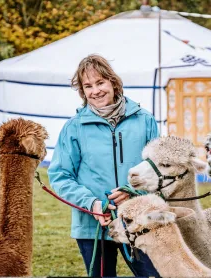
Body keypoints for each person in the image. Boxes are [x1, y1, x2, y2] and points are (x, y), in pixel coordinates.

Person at [48, 54, 159, 277]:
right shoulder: (74, 128)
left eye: (100, 83)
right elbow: (60, 175)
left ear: (113, 82)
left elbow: (157, 170)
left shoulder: (145, 120)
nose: (95, 91)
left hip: (138, 222)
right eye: (88, 86)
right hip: (93, 228)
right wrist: (92, 204)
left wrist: (133, 193)